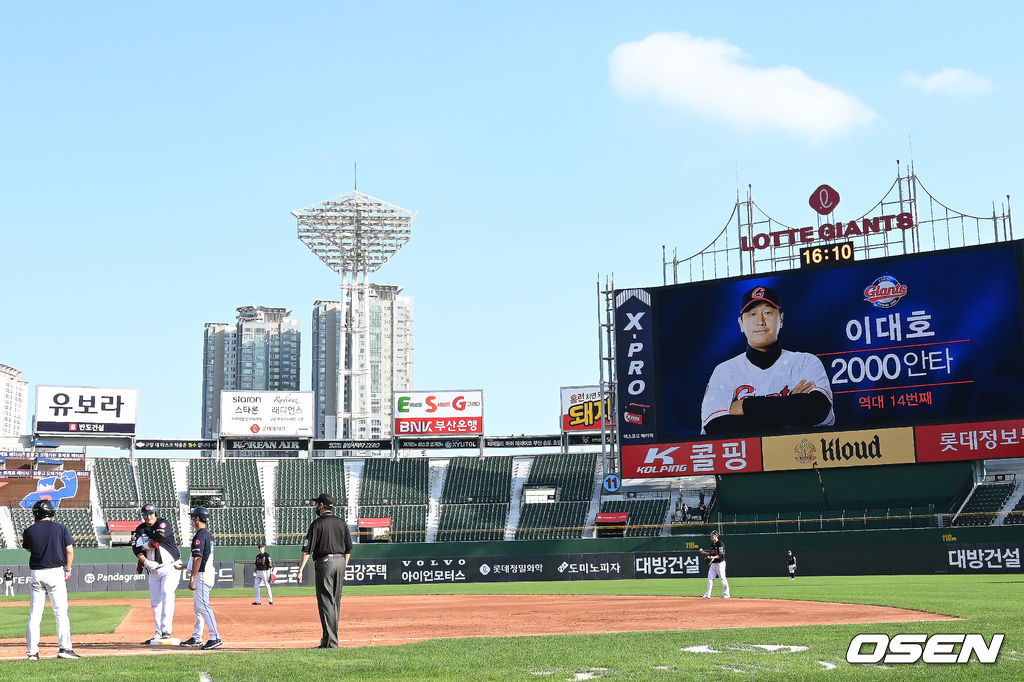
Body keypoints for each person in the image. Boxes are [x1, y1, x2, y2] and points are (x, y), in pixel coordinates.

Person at [700, 286, 834, 435]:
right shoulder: (725, 371)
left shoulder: (805, 362)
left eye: (768, 312)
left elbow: (817, 409)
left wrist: (745, 406)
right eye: (752, 314)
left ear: (781, 319)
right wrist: (790, 409)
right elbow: (716, 427)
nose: (760, 321)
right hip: (748, 458)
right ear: (741, 324)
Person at [22, 499, 80, 660]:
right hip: (55, 572)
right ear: (51, 512)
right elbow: (70, 551)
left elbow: (29, 548)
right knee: (61, 612)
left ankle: (32, 652)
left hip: (36, 573)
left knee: (35, 614)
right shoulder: (61, 528)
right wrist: (68, 569)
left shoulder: (29, 530)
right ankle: (65, 649)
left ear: (36, 513)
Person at [297, 492, 352, 649]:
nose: (316, 506)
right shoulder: (342, 523)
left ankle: (331, 643)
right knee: (335, 603)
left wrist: (300, 570)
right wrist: (343, 565)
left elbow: (307, 550)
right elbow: (348, 549)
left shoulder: (317, 524)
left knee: (326, 602)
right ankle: (328, 640)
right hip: (341, 562)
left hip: (325, 563)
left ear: (321, 505)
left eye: (317, 504)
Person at [132, 502, 181, 643]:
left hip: (170, 566)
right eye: (145, 515)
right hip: (153, 570)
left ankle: (166, 630)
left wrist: (143, 545)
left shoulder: (163, 523)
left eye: (151, 514)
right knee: (155, 602)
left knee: (167, 593)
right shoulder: (140, 529)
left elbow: (157, 540)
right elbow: (135, 549)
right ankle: (158, 633)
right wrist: (145, 562)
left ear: (156, 514)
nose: (148, 517)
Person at [179, 507, 221, 650]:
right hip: (206, 573)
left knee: (203, 607)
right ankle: (197, 637)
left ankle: (215, 637)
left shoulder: (200, 535)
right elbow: (199, 558)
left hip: (202, 575)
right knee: (198, 608)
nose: (192, 520)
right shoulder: (206, 535)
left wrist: (192, 578)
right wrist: (185, 566)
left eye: (193, 517)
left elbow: (198, 558)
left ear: (197, 518)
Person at [699, 531, 730, 599]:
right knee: (710, 579)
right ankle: (708, 594)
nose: (711, 536)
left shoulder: (720, 543)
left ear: (715, 536)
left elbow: (721, 555)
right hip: (713, 564)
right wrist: (704, 552)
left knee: (723, 578)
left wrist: (713, 557)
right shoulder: (712, 545)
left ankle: (727, 594)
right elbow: (710, 554)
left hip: (720, 564)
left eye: (712, 535)